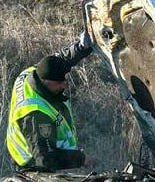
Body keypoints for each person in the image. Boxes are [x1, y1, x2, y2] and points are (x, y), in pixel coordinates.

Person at [6, 32, 93, 171]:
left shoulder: (33, 72)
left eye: (64, 79)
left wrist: (81, 48)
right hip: (32, 167)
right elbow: (46, 159)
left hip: (41, 154)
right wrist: (81, 159)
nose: (64, 85)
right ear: (46, 82)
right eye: (59, 82)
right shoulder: (35, 114)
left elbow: (58, 61)